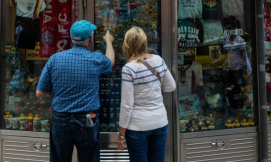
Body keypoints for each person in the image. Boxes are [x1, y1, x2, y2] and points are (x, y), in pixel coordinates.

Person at [36, 20, 115, 162]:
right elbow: (111, 61)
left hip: (60, 119)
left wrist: (58, 93)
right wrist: (108, 41)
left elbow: (40, 93)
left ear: (71, 38)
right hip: (87, 120)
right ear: (90, 39)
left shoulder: (55, 59)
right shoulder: (95, 58)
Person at [114, 26, 176, 161]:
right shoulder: (158, 60)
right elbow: (171, 86)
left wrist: (121, 134)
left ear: (127, 45)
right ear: (145, 43)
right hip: (160, 122)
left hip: (137, 126)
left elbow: (126, 105)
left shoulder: (129, 68)